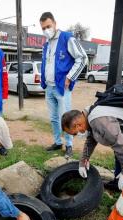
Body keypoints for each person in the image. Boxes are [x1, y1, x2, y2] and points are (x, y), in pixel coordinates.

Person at [39, 12, 88, 158]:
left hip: (62, 87)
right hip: (49, 87)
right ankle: (57, 142)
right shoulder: (46, 44)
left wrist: (69, 77)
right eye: (43, 28)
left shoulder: (67, 38)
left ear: (55, 23)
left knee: (66, 118)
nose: (46, 30)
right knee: (54, 118)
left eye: (48, 26)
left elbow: (82, 58)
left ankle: (69, 145)